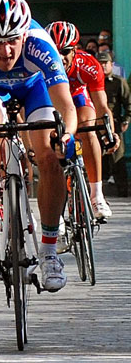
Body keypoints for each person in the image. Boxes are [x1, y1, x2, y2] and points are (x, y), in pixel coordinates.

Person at [0, 0, 77, 292]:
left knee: (49, 156)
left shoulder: (40, 44)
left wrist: (66, 134)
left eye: (12, 41)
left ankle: (49, 251)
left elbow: (66, 107)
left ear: (24, 35)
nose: (5, 52)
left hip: (34, 88)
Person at [46, 21, 118, 219]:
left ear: (76, 50)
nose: (60, 56)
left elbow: (102, 106)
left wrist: (110, 133)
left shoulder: (89, 64)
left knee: (89, 125)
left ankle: (97, 196)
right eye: (54, 50)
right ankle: (55, 215)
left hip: (77, 96)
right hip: (52, 100)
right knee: (49, 140)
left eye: (66, 51)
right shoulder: (40, 64)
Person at [98, 51, 131, 197]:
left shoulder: (119, 82)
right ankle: (98, 193)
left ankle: (123, 191)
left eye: (106, 63)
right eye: (100, 63)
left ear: (111, 64)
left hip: (114, 123)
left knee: (118, 158)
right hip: (95, 123)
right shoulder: (93, 82)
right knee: (97, 156)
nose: (103, 66)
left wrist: (126, 120)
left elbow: (128, 103)